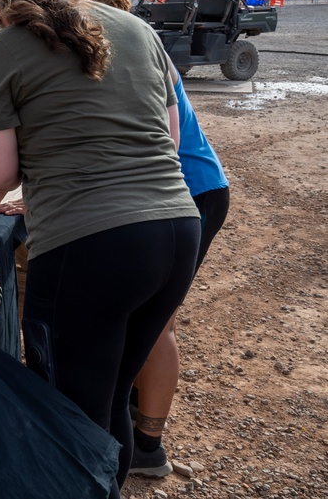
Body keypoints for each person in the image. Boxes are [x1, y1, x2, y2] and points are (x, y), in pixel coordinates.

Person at [0, 0, 201, 499]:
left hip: (91, 244)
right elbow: (169, 141)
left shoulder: (6, 44)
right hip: (175, 229)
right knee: (113, 391)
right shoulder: (137, 27)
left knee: (70, 408)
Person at [129, 61, 230, 477]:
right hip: (170, 196)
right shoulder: (127, 43)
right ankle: (135, 413)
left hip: (191, 192)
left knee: (157, 323)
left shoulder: (138, 51)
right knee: (141, 316)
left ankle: (148, 449)